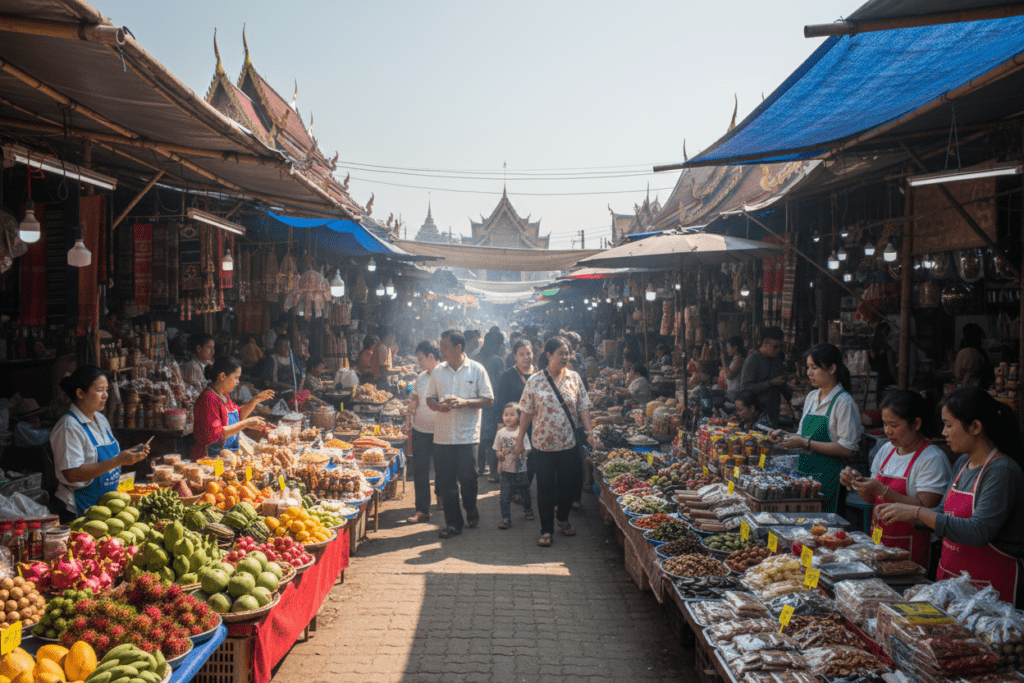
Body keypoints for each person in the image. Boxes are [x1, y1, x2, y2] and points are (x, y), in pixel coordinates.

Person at [877, 388, 1024, 604]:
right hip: (953, 582)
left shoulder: (1002, 471)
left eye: (949, 425)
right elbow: (942, 513)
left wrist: (918, 512)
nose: (943, 432)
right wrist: (906, 514)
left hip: (990, 593)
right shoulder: (962, 464)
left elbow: (979, 530)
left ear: (975, 427)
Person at [840, 390, 951, 568]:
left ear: (916, 423)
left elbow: (927, 511)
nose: (887, 431)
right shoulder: (886, 450)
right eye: (885, 424)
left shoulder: (931, 458)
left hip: (912, 550)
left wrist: (883, 490)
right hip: (879, 542)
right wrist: (859, 484)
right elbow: (871, 499)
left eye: (893, 425)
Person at [516, 336, 599, 547]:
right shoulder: (535, 380)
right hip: (542, 445)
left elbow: (583, 407)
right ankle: (546, 530)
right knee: (544, 488)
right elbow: (526, 413)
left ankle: (562, 518)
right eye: (561, 353)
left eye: (567, 353)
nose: (565, 357)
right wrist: (519, 441)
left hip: (568, 443)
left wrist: (590, 432)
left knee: (569, 486)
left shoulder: (574, 378)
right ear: (549, 355)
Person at [770, 343, 862, 514]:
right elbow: (802, 435)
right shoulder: (812, 396)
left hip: (830, 479)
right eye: (808, 367)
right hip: (805, 478)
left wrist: (805, 443)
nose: (809, 373)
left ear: (832, 368)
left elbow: (848, 449)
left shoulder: (844, 402)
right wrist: (783, 435)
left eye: (814, 367)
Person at [50, 366, 151, 520]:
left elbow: (109, 459)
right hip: (77, 508)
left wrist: (130, 454)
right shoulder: (68, 427)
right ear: (80, 393)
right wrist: (118, 460)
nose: (105, 395)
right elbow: (72, 473)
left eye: (106, 390)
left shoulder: (101, 419)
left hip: (105, 506)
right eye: (99, 390)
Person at [426, 330, 494, 539]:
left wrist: (465, 403)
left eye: (445, 346)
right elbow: (429, 398)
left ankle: (471, 507)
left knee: (468, 478)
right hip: (443, 436)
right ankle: (453, 523)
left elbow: (488, 399)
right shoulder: (438, 371)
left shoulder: (476, 370)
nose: (441, 350)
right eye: (441, 346)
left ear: (458, 348)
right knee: (446, 482)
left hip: (467, 436)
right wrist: (438, 407)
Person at [192, 357, 273, 460]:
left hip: (228, 456)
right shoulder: (208, 398)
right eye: (235, 377)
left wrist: (255, 400)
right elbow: (216, 434)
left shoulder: (224, 395)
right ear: (222, 376)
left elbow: (237, 416)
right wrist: (247, 423)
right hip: (211, 458)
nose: (238, 382)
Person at [407, 341, 442, 523]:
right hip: (420, 429)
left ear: (430, 357)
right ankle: (422, 510)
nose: (419, 362)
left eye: (421, 359)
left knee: (442, 468)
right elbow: (415, 394)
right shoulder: (421, 377)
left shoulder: (444, 374)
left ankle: (442, 496)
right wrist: (412, 399)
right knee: (420, 469)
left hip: (442, 430)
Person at [740, 327, 792, 426]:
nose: (778, 350)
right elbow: (745, 388)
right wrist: (770, 383)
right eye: (775, 346)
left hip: (773, 414)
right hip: (756, 416)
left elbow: (780, 385)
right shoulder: (752, 360)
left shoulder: (777, 360)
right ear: (765, 343)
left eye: (780, 346)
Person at [494, 403, 531, 530]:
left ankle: (528, 509)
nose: (508, 417)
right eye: (506, 415)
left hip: (520, 469)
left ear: (519, 417)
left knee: (524, 489)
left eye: (512, 414)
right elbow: (497, 449)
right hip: (505, 469)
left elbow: (528, 448)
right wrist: (499, 454)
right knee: (505, 494)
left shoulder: (522, 432)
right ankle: (505, 518)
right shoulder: (500, 433)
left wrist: (522, 454)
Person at [476, 329, 507, 480]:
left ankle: (481, 467)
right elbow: (501, 383)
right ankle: (494, 472)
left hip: (477, 401)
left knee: (481, 436)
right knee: (494, 437)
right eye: (501, 343)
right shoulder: (498, 360)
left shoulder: (476, 357)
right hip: (494, 402)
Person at [953, 323, 991, 389]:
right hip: (979, 391)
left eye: (962, 334)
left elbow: (959, 376)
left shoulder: (965, 352)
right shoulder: (980, 352)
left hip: (966, 391)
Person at [868, 322, 897, 398]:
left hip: (874, 384)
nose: (891, 334)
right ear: (887, 334)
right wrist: (897, 379)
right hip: (887, 384)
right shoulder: (888, 350)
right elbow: (892, 369)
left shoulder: (872, 349)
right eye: (890, 332)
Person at [721, 336, 746, 402]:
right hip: (732, 392)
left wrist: (723, 361)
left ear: (735, 348)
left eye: (728, 348)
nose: (727, 350)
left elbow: (729, 376)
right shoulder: (735, 359)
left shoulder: (739, 360)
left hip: (735, 393)